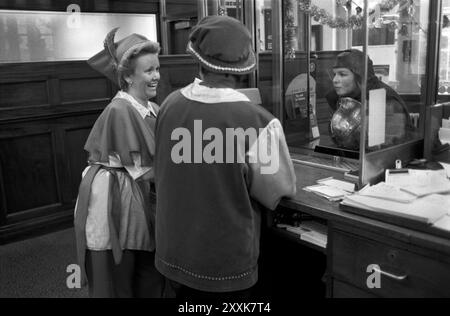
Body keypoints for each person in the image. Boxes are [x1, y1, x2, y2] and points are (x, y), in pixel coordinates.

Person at [153, 16, 297, 298]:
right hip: (224, 262)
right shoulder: (258, 121)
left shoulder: (168, 105)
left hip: (174, 250)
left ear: (200, 60)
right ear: (242, 68)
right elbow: (278, 191)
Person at [74, 28, 166, 297]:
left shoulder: (152, 107)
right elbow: (141, 171)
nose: (156, 76)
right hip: (116, 195)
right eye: (149, 70)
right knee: (122, 265)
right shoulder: (120, 109)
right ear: (127, 76)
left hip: (134, 190)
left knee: (142, 264)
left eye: (158, 68)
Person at [326, 49, 412, 149]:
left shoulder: (385, 100)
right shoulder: (340, 97)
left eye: (342, 74)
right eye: (334, 74)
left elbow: (390, 145)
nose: (335, 80)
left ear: (360, 77)